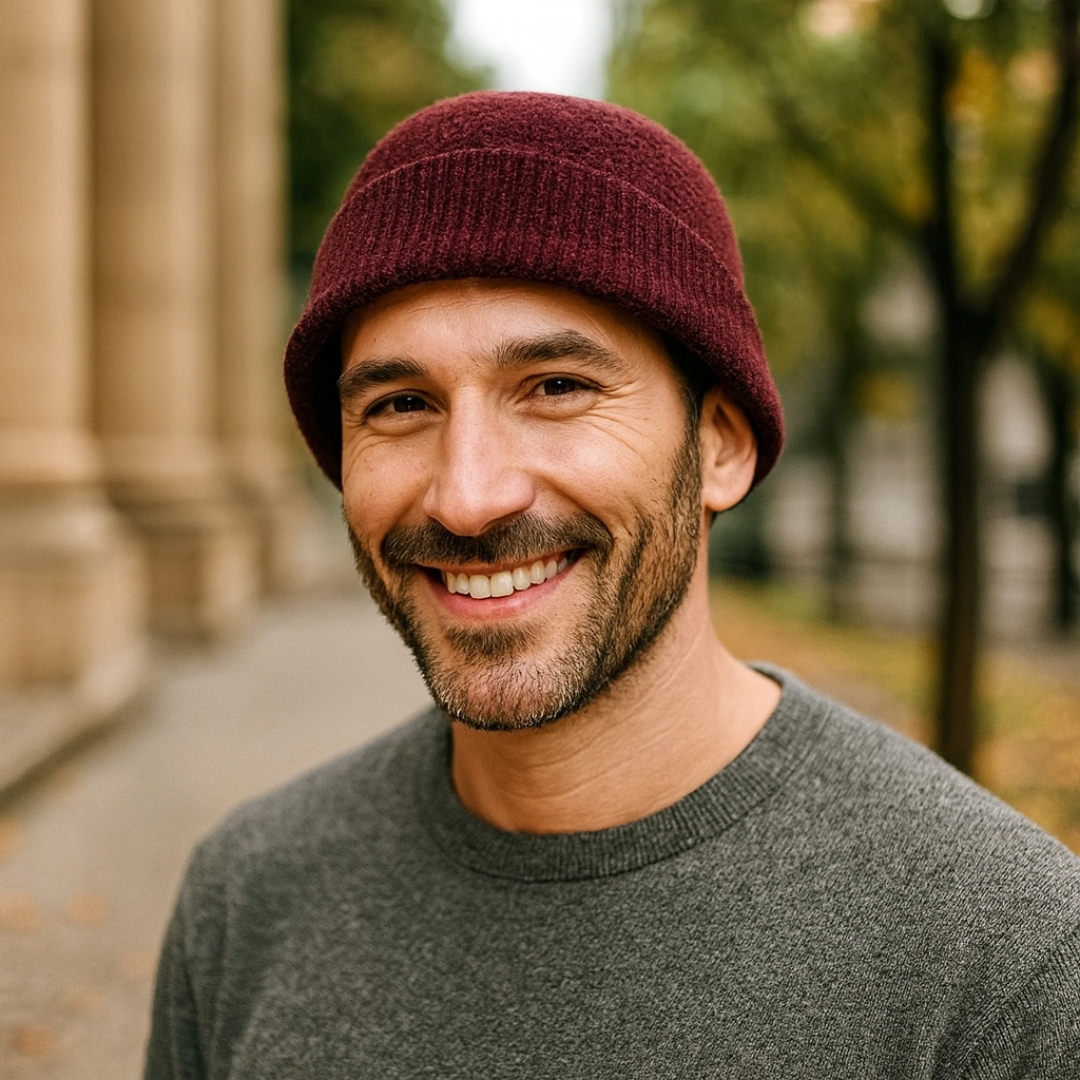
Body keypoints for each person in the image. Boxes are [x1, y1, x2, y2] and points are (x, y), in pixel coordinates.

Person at [145, 92, 1080, 1078]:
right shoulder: (247, 899)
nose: (467, 495)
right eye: (402, 404)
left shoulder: (1006, 960)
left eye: (557, 388)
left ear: (721, 446)